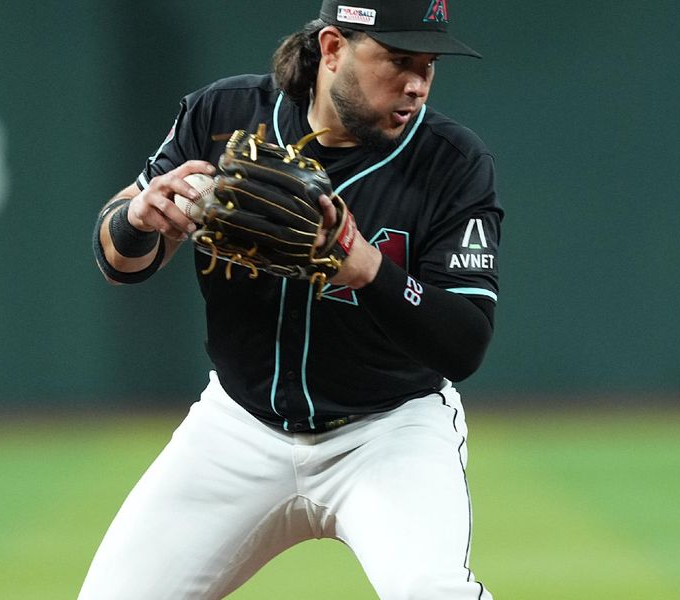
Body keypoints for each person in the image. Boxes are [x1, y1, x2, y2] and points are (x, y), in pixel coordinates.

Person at [82, 1, 502, 598]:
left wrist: (368, 269)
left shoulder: (452, 163)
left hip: (387, 433)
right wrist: (138, 220)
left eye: (428, 66)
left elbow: (465, 343)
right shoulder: (223, 115)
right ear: (333, 48)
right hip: (238, 429)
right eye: (398, 61)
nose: (416, 85)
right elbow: (118, 262)